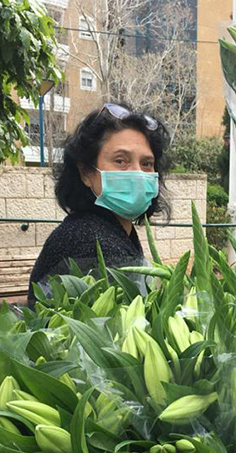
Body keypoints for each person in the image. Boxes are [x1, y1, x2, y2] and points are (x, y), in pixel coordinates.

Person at [27, 103, 169, 304]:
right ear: (86, 172)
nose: (137, 173)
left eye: (146, 163)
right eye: (121, 161)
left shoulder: (113, 230)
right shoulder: (86, 240)